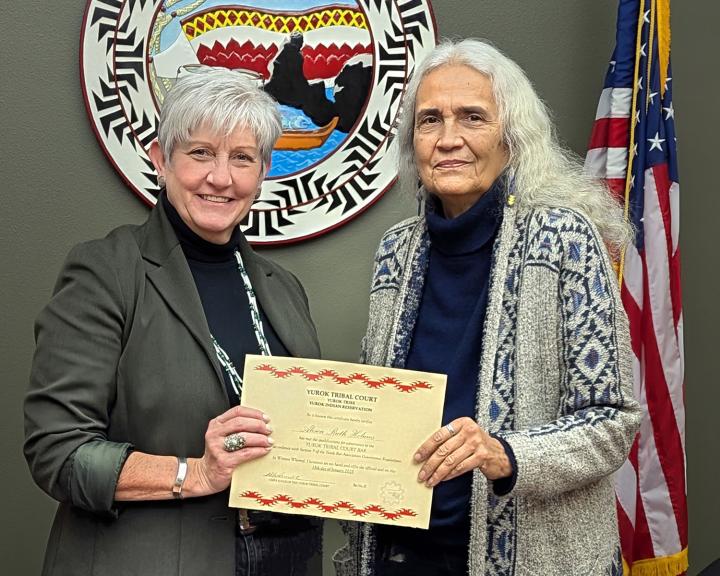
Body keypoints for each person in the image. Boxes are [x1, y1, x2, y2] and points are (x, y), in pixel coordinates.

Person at [333, 39, 642, 576]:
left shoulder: (564, 239)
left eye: (471, 117)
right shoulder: (396, 250)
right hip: (404, 557)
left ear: (511, 137)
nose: (448, 139)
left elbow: (612, 422)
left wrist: (507, 453)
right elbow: (377, 400)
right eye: (430, 120)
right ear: (413, 142)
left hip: (534, 561)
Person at [24, 67, 322, 576]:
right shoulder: (105, 271)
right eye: (200, 153)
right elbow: (58, 451)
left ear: (265, 170)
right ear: (161, 160)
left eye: (242, 158)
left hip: (283, 559)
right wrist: (196, 473)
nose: (221, 178)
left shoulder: (283, 287)